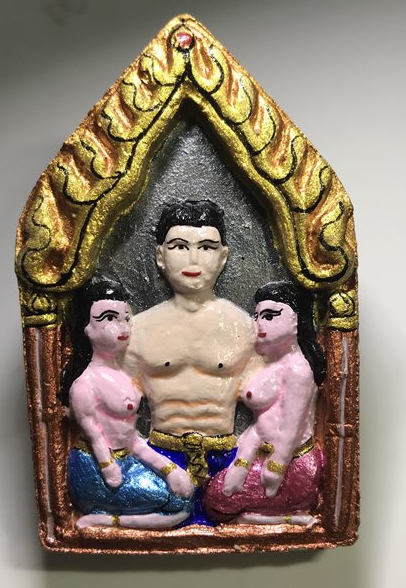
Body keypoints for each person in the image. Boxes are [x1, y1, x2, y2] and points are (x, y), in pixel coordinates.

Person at [124, 200, 262, 524]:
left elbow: (273, 407)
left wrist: (244, 459)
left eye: (207, 247)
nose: (193, 259)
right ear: (160, 256)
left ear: (223, 256)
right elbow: (115, 406)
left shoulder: (245, 328)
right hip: (160, 455)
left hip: (227, 456)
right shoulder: (137, 330)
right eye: (179, 246)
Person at [67, 276, 194, 529]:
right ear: (87, 328)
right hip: (95, 470)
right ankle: (105, 519)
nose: (122, 327)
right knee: (177, 504)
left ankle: (112, 519)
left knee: (185, 492)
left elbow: (132, 439)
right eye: (109, 318)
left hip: (126, 460)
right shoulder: (85, 384)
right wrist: (109, 470)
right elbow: (95, 436)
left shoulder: (124, 376)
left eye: (125, 318)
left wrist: (169, 469)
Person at [203, 282, 326, 526]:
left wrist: (276, 469)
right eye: (257, 316)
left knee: (217, 500)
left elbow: (290, 429)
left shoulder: (298, 369)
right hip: (258, 455)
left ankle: (285, 518)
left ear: (296, 319)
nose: (260, 323)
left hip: (292, 466)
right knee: (217, 489)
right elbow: (261, 425)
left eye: (270, 316)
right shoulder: (272, 364)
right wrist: (241, 462)